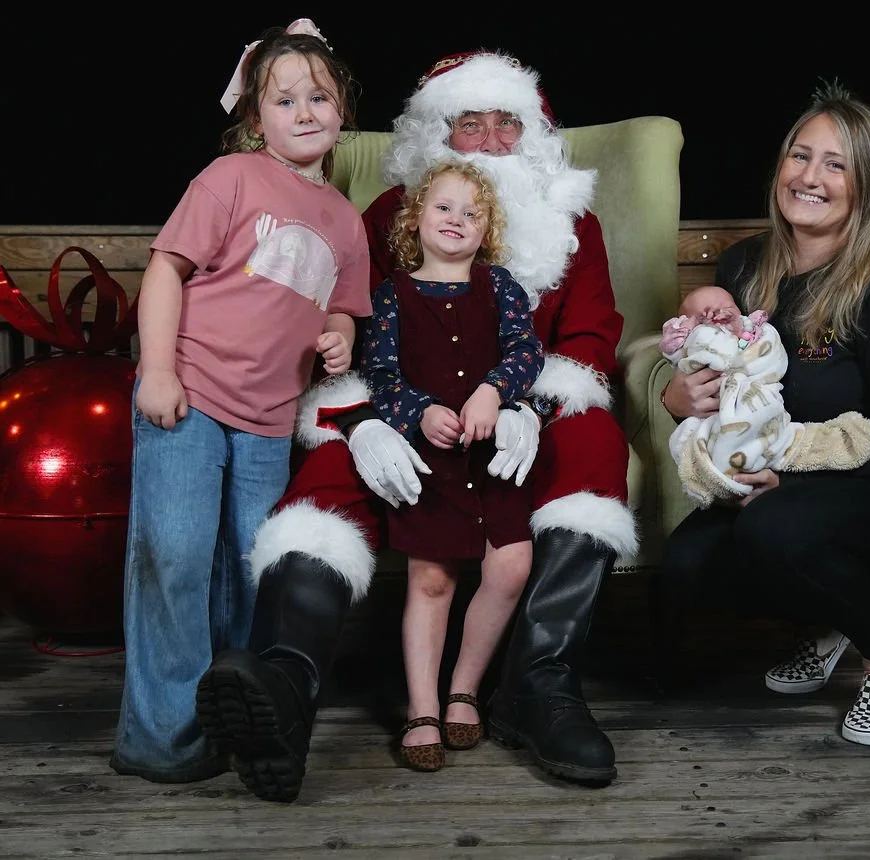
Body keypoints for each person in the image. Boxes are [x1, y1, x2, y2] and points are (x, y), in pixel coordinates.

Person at [197, 50, 635, 802]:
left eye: (510, 123)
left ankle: (538, 687)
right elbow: (337, 333)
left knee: (595, 439)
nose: (494, 141)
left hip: (520, 417)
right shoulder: (380, 221)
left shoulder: (576, 228)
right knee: (331, 471)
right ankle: (285, 693)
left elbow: (587, 342)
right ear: (437, 139)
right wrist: (362, 420)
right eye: (472, 123)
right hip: (402, 415)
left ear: (534, 135)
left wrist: (529, 405)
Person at [654, 84, 870, 746]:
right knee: (689, 566)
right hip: (780, 490)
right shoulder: (743, 264)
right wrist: (676, 395)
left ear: (868, 187)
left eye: (836, 164)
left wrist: (790, 481)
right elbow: (712, 363)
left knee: (773, 530)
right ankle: (830, 619)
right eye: (802, 155)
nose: (811, 177)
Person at [110, 19, 370, 784]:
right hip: (189, 395)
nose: (303, 111)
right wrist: (158, 370)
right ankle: (162, 740)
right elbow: (166, 270)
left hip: (267, 421)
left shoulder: (346, 223)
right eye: (283, 100)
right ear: (257, 119)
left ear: (342, 110)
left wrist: (341, 337)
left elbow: (340, 307)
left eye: (318, 96)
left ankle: (228, 716)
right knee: (178, 559)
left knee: (249, 571)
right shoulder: (229, 180)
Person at [363, 161, 543, 771]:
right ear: (416, 218)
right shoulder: (393, 294)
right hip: (429, 461)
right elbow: (381, 377)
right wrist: (418, 413)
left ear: (487, 227)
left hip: (495, 456)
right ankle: (422, 707)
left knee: (512, 566)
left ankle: (465, 687)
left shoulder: (502, 288)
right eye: (444, 208)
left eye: (472, 212)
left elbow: (526, 351)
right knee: (431, 580)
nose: (457, 220)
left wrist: (496, 391)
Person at [661, 284, 870, 507]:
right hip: (720, 429)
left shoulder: (755, 332)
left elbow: (762, 357)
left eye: (726, 307)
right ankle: (719, 476)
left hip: (815, 479)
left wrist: (787, 483)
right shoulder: (738, 269)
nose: (717, 314)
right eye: (703, 314)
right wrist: (672, 400)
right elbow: (679, 353)